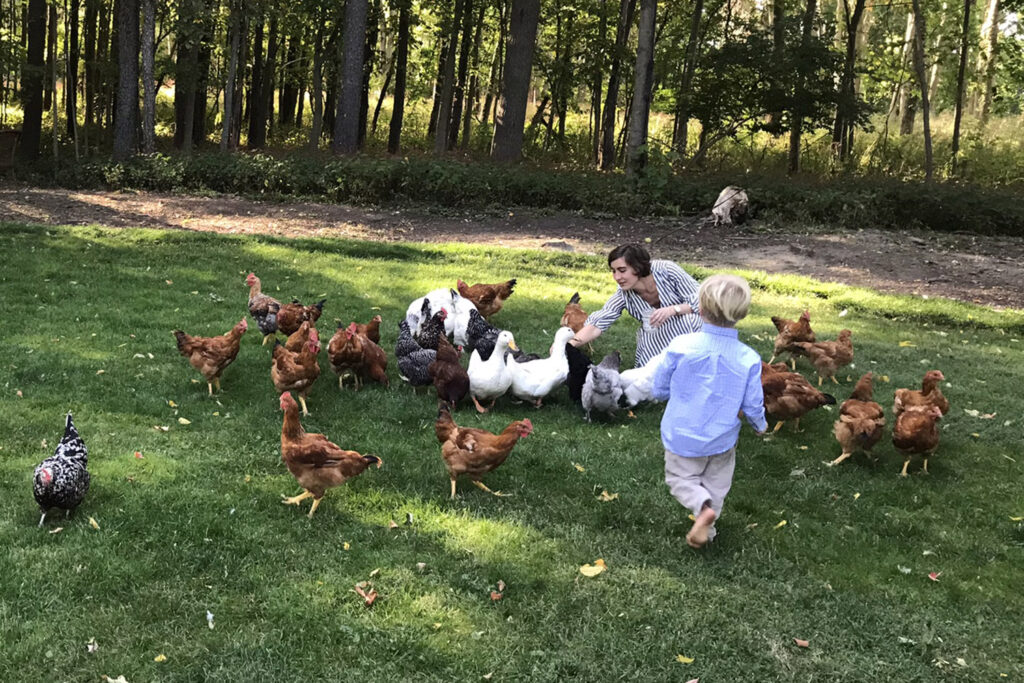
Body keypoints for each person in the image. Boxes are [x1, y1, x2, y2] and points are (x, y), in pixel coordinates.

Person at [650, 274, 767, 549]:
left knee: (681, 478)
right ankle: (708, 528)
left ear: (700, 311)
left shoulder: (681, 345)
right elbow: (752, 403)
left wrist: (663, 395)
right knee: (717, 483)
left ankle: (701, 509)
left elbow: (659, 385)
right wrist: (759, 424)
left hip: (682, 434)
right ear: (741, 314)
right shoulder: (749, 357)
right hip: (723, 438)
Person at [569, 244, 702, 368]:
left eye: (622, 270)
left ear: (638, 267)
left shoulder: (666, 270)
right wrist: (567, 345)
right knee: (650, 374)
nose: (617, 277)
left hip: (691, 328)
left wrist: (673, 310)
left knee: (688, 321)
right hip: (656, 337)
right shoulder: (623, 294)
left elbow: (702, 300)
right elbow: (598, 323)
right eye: (613, 271)